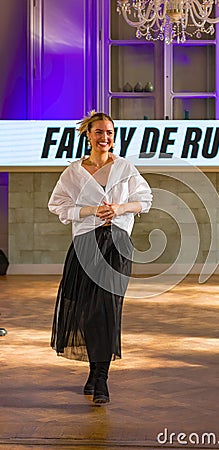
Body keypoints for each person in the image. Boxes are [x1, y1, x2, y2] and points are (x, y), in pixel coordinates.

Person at [48, 111, 152, 405]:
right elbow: (57, 205)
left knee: (106, 308)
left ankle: (102, 379)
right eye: (99, 132)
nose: (105, 138)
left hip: (116, 244)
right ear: (88, 135)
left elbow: (145, 200)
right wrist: (90, 211)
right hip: (84, 245)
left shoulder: (125, 168)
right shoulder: (74, 172)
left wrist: (119, 209)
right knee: (84, 310)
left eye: (109, 132)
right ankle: (94, 372)